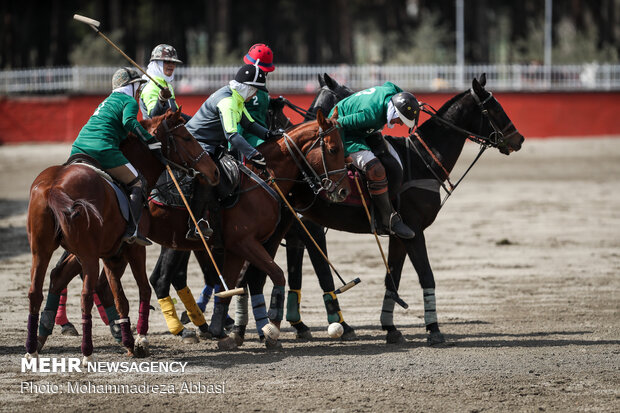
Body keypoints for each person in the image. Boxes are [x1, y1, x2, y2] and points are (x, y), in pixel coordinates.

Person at [71, 67, 166, 246]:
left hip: (78, 149)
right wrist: (149, 139)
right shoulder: (129, 101)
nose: (138, 92)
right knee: (137, 181)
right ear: (131, 86)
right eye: (138, 87)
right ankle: (132, 230)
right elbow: (129, 122)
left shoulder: (106, 101)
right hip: (103, 150)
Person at [329, 82, 420, 239]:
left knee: (391, 159)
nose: (399, 124)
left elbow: (393, 87)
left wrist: (413, 105)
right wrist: (343, 153)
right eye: (401, 120)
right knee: (376, 170)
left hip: (362, 129)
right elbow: (338, 123)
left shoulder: (392, 92)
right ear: (395, 113)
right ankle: (387, 219)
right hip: (344, 133)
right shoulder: (369, 116)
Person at [139, 44, 190, 121]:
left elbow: (175, 113)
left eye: (173, 62)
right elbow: (153, 116)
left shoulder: (167, 85)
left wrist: (196, 121)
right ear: (156, 63)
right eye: (167, 62)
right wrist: (161, 100)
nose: (171, 65)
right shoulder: (149, 86)